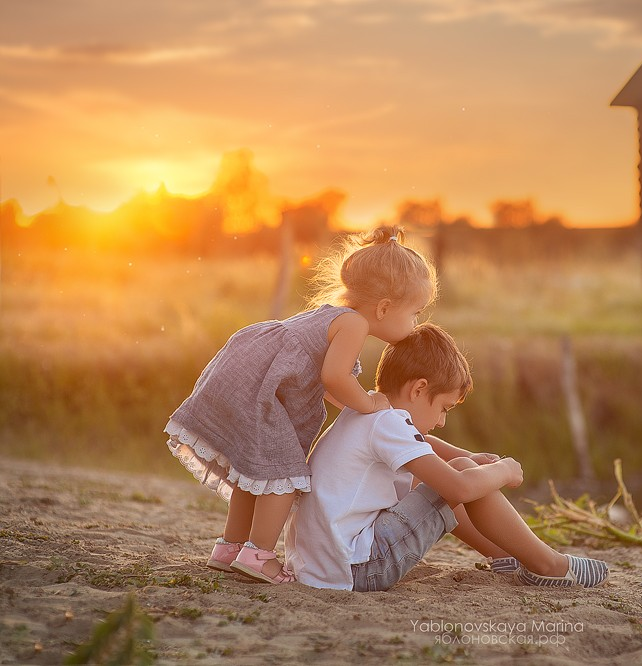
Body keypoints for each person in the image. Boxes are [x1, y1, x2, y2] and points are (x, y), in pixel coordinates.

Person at [165, 225, 435, 584]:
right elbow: (335, 379)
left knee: (255, 472)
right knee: (285, 474)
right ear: (384, 308)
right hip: (257, 388)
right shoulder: (353, 325)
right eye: (415, 313)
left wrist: (353, 406)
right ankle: (259, 556)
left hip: (244, 375)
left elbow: (323, 383)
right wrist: (369, 404)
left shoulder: (334, 316)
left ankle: (230, 547)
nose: (416, 323)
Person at [285, 322, 609, 590]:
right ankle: (548, 564)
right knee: (460, 477)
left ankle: (503, 555)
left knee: (452, 469)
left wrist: (469, 455)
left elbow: (420, 442)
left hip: (321, 566)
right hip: (361, 566)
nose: (442, 420)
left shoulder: (370, 408)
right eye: (443, 408)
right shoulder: (388, 423)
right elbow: (458, 489)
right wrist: (505, 471)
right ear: (418, 389)